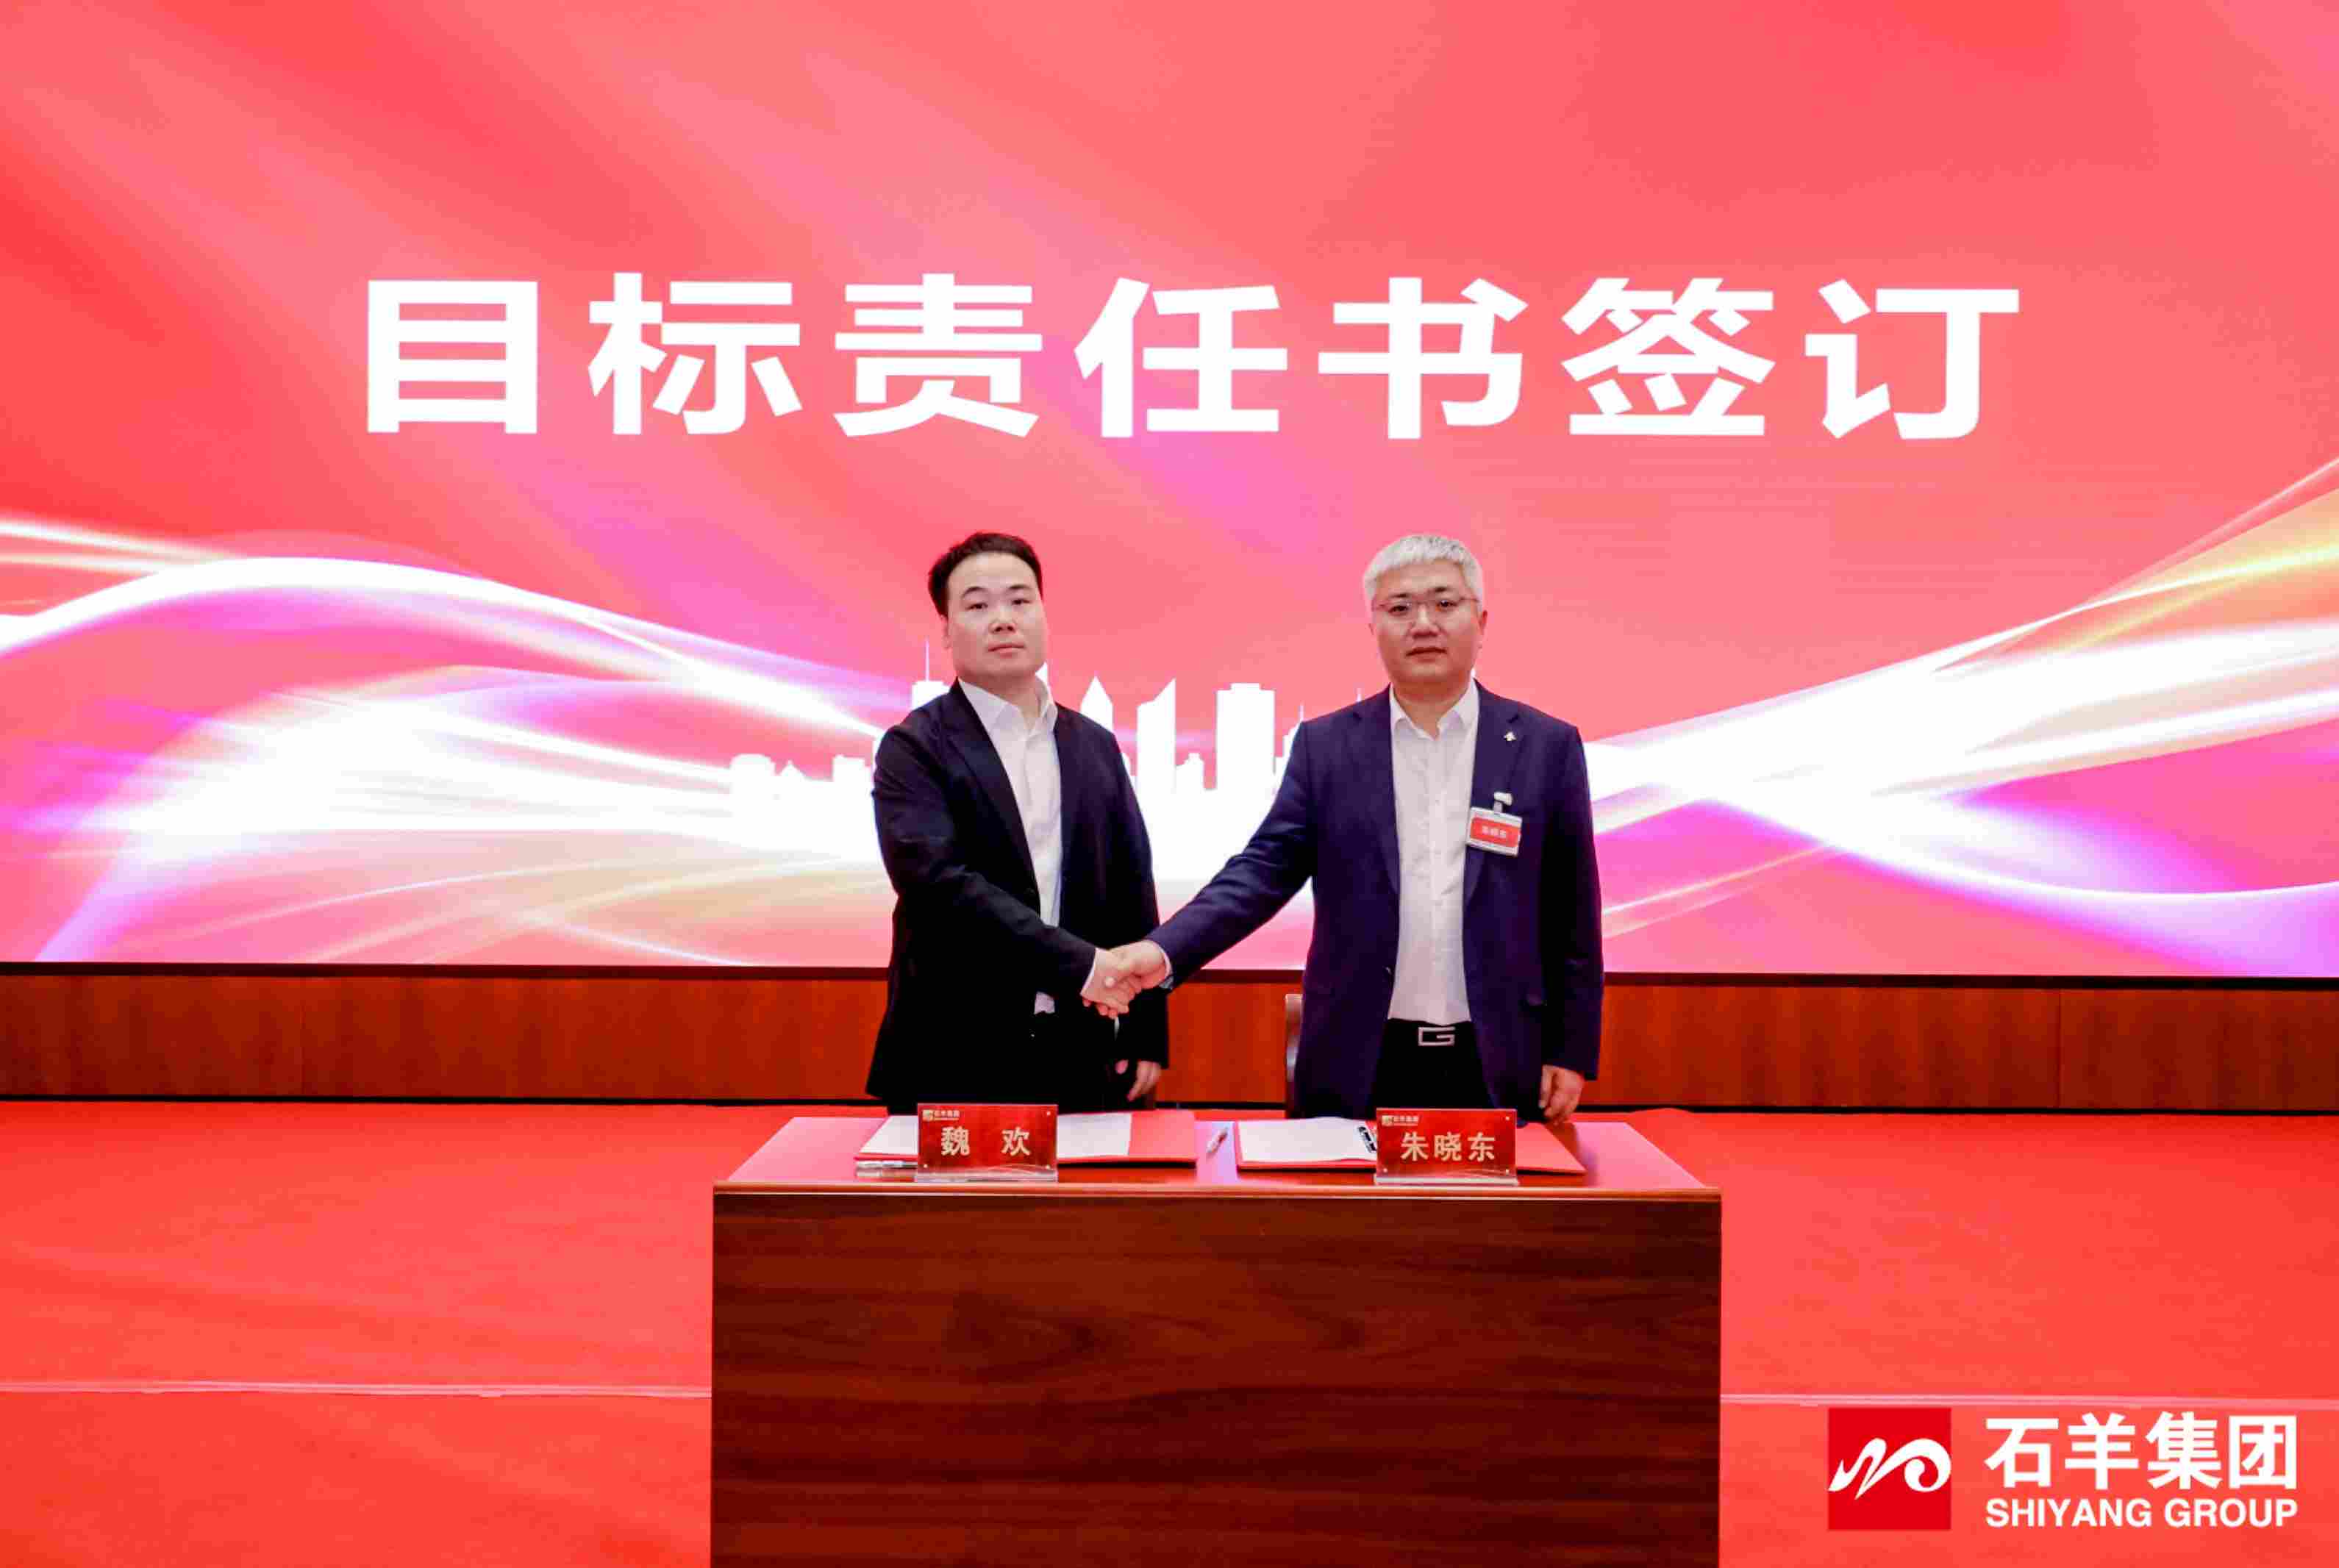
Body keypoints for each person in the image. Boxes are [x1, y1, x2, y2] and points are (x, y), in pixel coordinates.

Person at [1095, 534, 1601, 1123]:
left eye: (1444, 603)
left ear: (1481, 621)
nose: (1423, 623)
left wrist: (1570, 1048)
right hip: (1360, 1056)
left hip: (1500, 1057)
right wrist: (1162, 951)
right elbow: (1260, 873)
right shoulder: (1328, 746)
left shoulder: (1545, 746)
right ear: (1373, 627)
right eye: (1399, 607)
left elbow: (1572, 913)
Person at [865, 532, 1167, 1114]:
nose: (1003, 619)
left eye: (1020, 600)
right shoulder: (914, 747)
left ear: (1044, 616)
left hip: (1083, 1048)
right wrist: (1083, 966)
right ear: (946, 631)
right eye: (978, 605)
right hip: (954, 1051)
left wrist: (1145, 1028)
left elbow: (1131, 884)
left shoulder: (1094, 744)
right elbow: (939, 887)